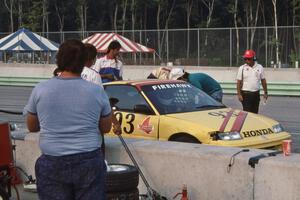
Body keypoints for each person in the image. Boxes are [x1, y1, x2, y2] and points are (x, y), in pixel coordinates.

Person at [24, 39, 121, 200]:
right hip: (89, 161)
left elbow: (32, 126)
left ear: (59, 60)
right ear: (84, 62)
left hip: (52, 162)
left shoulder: (41, 89)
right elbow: (105, 128)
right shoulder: (96, 91)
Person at [81, 43, 121, 155]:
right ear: (93, 59)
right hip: (91, 129)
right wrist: (116, 123)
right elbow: (104, 101)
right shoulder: (93, 75)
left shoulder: (62, 74)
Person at [236, 50, 268, 114]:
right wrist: (239, 94)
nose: (247, 60)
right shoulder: (242, 68)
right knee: (247, 113)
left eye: (249, 59)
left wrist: (265, 92)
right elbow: (238, 82)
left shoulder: (260, 67)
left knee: (255, 113)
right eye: (245, 59)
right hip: (245, 94)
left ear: (253, 58)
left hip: (256, 94)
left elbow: (263, 80)